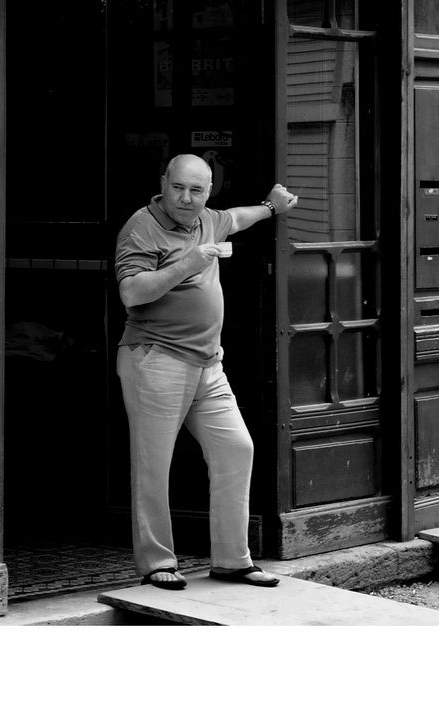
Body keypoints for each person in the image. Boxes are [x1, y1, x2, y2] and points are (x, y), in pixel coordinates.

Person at [113, 153, 299, 590]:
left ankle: (232, 561)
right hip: (155, 359)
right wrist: (188, 265)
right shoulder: (142, 226)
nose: (186, 198)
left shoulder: (207, 219)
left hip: (207, 364)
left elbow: (235, 217)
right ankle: (158, 562)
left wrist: (271, 207)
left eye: (197, 190)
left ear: (208, 192)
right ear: (164, 182)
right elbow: (131, 292)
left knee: (237, 448)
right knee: (153, 466)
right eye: (178, 187)